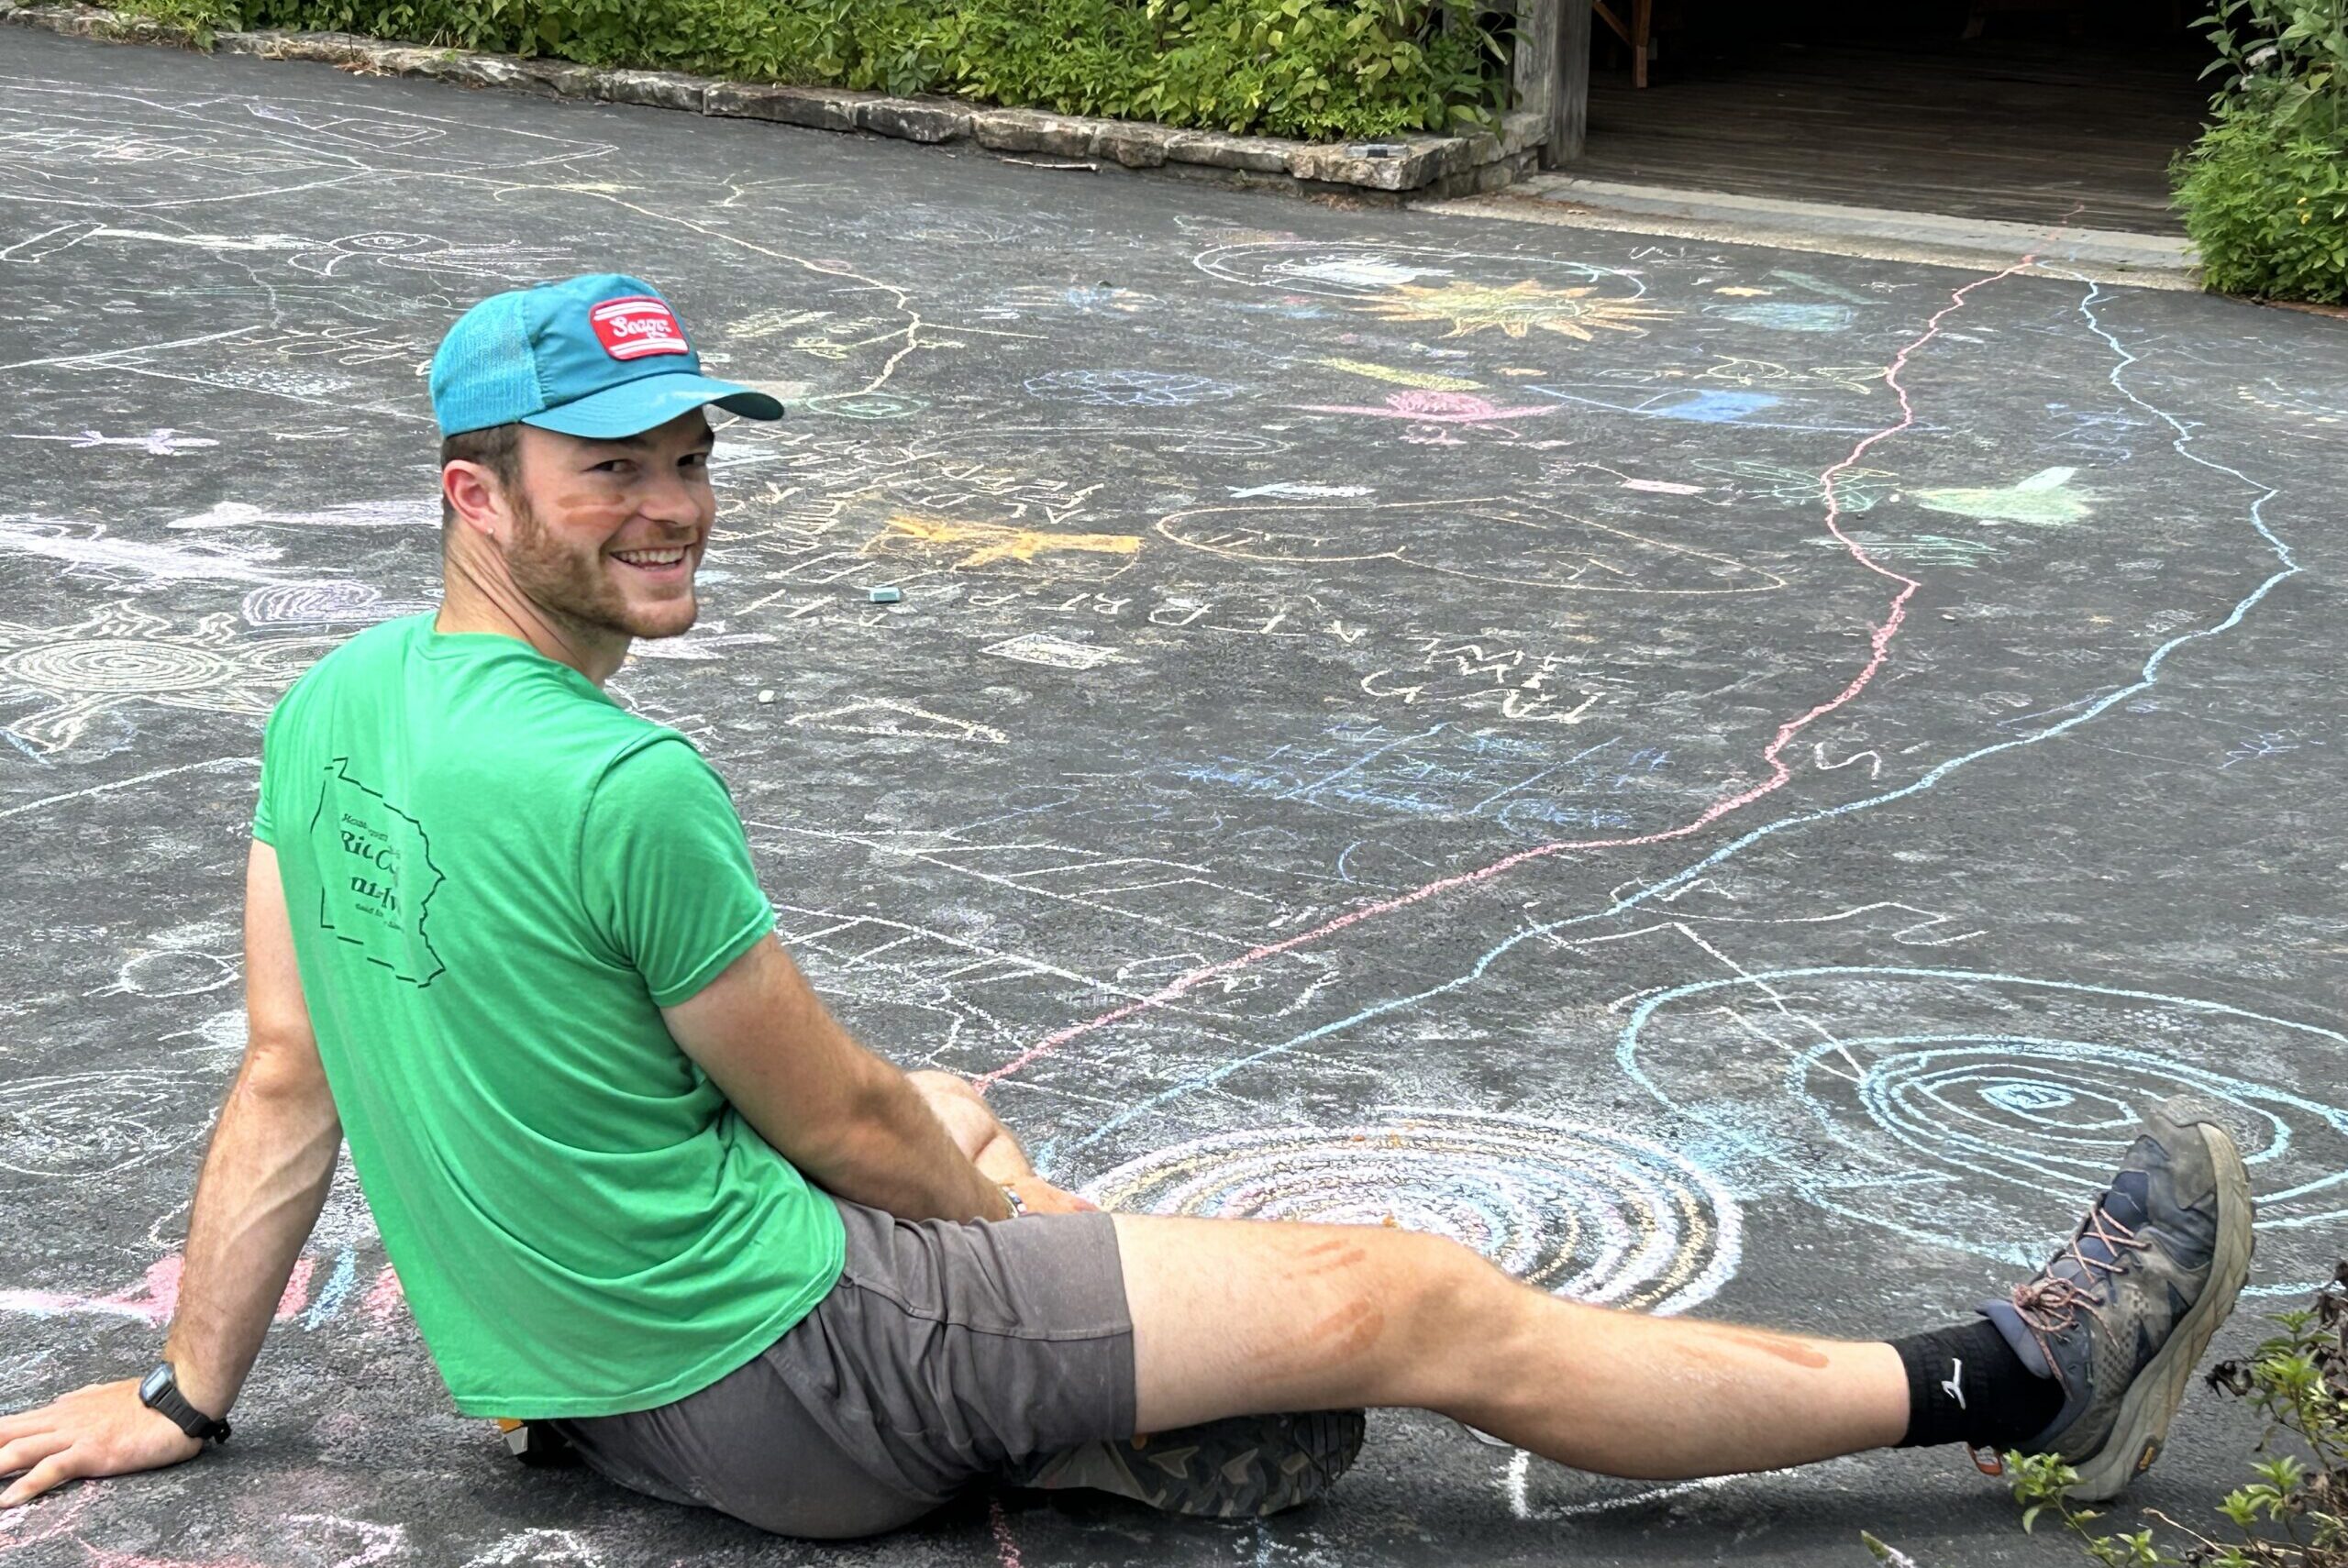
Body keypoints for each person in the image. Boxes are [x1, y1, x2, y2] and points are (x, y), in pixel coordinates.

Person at [0, 274, 2256, 1540]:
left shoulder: (334, 705)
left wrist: (189, 1404)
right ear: (474, 491)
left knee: (977, 1120)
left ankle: (1114, 1406)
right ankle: (2015, 1382)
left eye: (694, 455)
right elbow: (855, 1148)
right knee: (1395, 1294)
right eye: (618, 469)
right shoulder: (620, 780)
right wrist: (1070, 1296)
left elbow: (288, 1078)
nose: (678, 506)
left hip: (574, 1369)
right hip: (750, 1367)